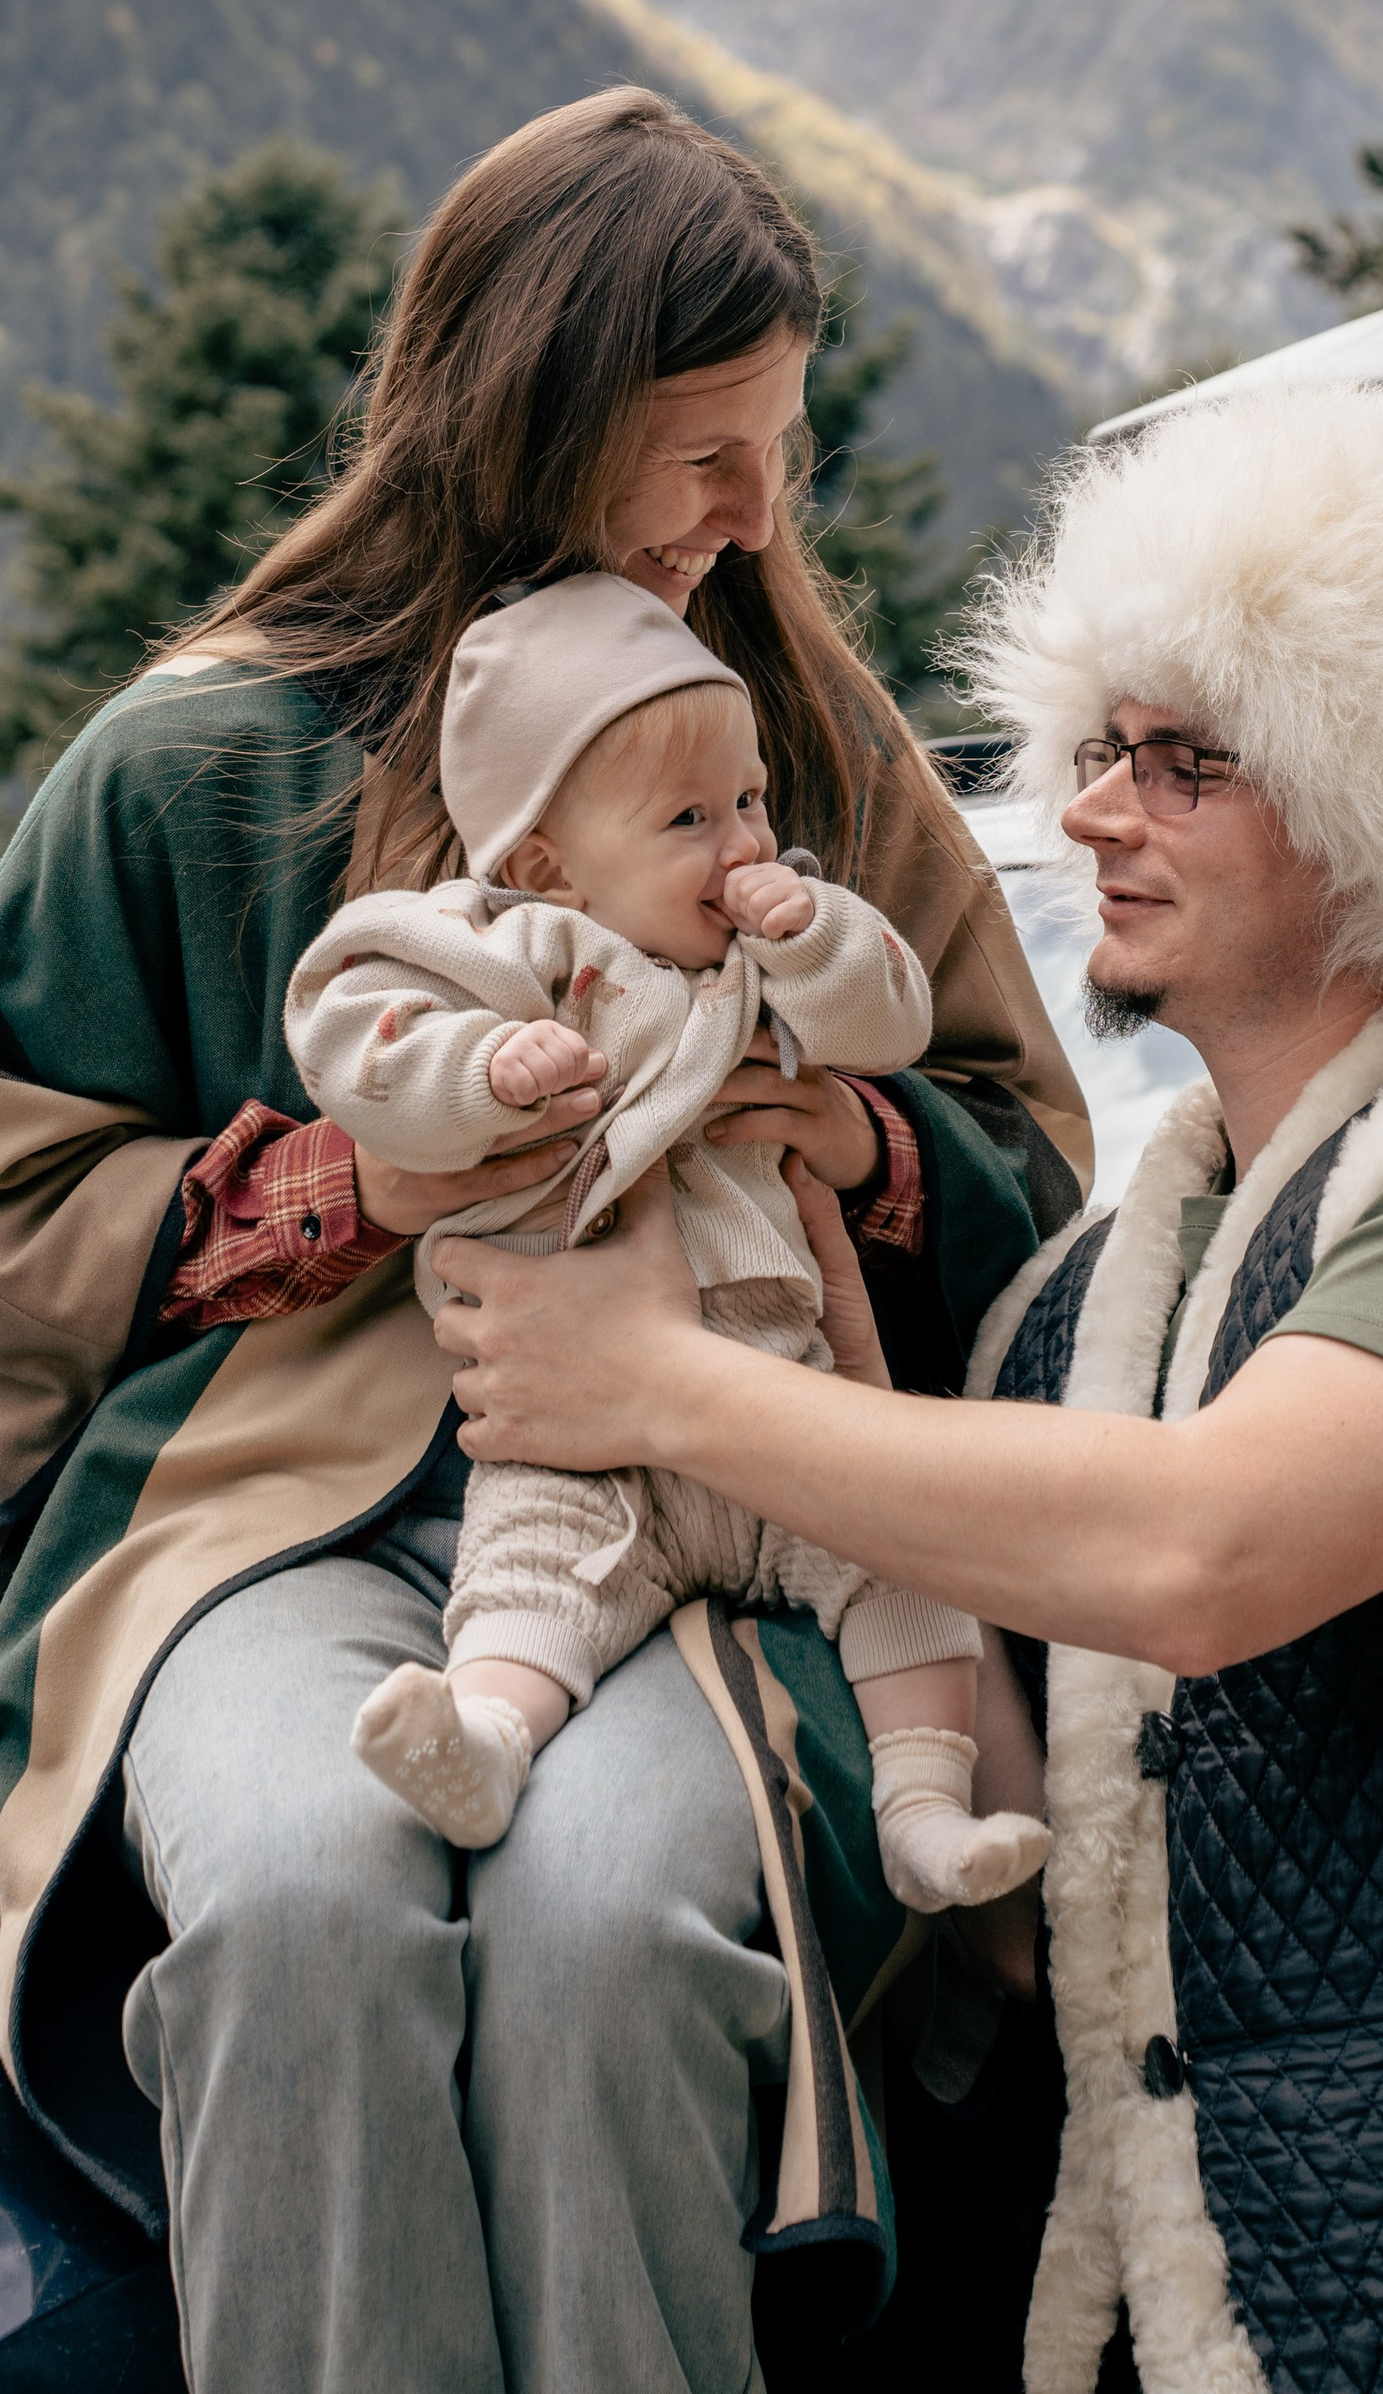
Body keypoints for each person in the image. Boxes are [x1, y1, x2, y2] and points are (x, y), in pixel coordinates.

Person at [437, 379, 1383, 2394]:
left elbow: (1206, 1555)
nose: (1086, 816)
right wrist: (802, 1316)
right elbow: (1028, 1900)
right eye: (1095, 752)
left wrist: (655, 1389)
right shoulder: (1091, 1309)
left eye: (1181, 764)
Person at [0, 84, 1089, 2394]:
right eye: (696, 449)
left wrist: (851, 1139)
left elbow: (1023, 1147)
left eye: (776, 450)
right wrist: (347, 1187)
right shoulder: (197, 765)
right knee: (302, 1911)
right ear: (520, 417)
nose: (749, 514)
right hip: (253, 1527)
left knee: (622, 1931)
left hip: (721, 1518)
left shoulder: (801, 750)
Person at [294, 568, 1052, 1916]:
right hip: (583, 1433)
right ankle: (486, 1742)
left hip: (783, 1400)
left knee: (904, 1570)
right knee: (527, 1583)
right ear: (544, 866)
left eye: (750, 800)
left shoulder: (771, 955)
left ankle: (924, 1810)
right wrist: (482, 1067)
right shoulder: (505, 949)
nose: (743, 842)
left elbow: (893, 1020)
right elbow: (353, 1037)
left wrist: (816, 937)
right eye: (690, 818)